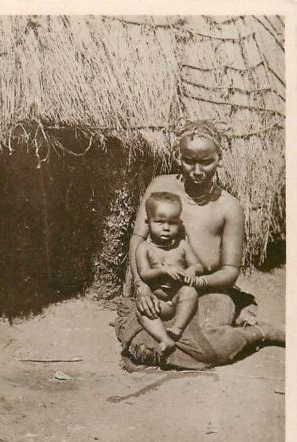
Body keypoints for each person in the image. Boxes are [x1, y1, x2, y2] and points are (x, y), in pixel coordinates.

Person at [116, 120, 284, 369]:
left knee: (212, 348)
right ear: (177, 156)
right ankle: (204, 332)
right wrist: (141, 287)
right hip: (158, 288)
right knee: (145, 347)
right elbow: (138, 238)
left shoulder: (229, 207)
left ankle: (261, 332)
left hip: (208, 290)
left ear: (219, 158)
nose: (197, 170)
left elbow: (229, 270)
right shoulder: (160, 187)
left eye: (206, 161)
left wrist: (199, 281)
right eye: (188, 161)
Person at [135, 192, 203, 356]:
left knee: (190, 291)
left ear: (179, 223)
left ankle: (177, 328)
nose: (166, 228)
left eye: (172, 223)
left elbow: (198, 265)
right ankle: (164, 338)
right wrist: (164, 270)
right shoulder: (144, 248)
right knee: (141, 310)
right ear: (148, 222)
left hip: (178, 299)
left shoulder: (182, 245)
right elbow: (144, 274)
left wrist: (191, 270)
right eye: (159, 222)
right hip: (158, 302)